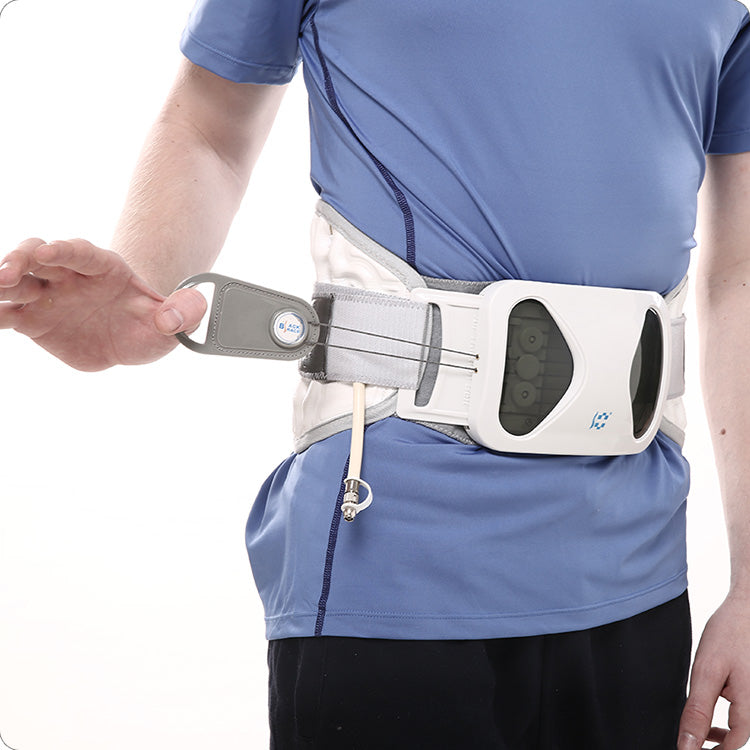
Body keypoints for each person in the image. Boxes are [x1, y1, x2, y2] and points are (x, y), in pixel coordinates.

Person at [1, 1, 750, 748]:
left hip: (638, 575)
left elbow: (740, 273)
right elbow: (211, 123)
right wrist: (148, 296)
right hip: (394, 546)